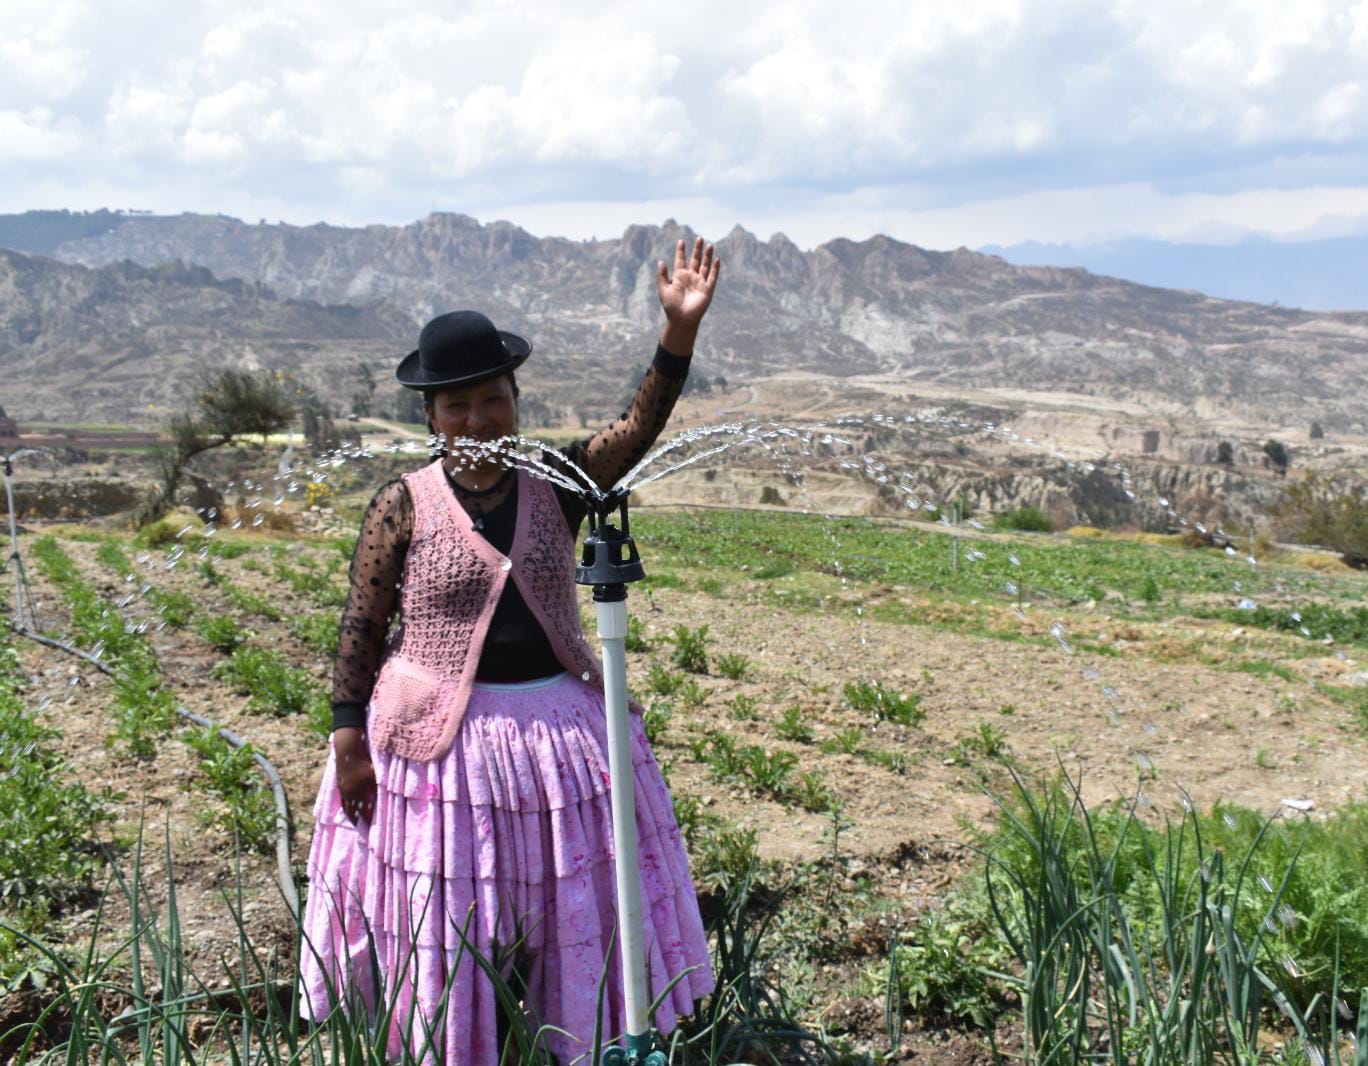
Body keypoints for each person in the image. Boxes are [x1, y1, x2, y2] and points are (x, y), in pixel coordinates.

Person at [299, 238, 721, 1063]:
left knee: (565, 904)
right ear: (430, 416)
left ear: (516, 400)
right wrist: (348, 738)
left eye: (491, 400)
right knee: (452, 913)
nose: (476, 420)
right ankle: (452, 1042)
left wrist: (678, 334)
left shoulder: (556, 485)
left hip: (556, 736)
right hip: (437, 749)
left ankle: (566, 1032)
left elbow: (637, 430)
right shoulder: (402, 505)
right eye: (455, 406)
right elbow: (362, 622)